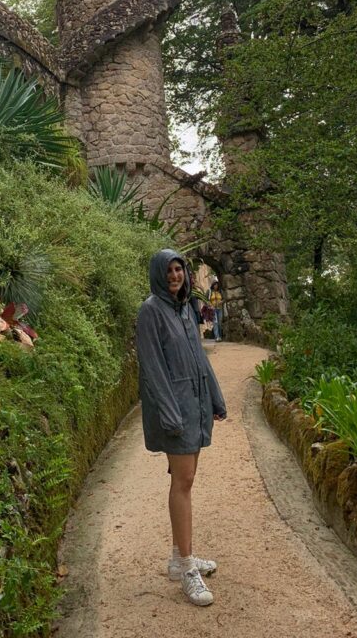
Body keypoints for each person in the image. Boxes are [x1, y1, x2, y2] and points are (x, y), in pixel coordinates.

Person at [136, 249, 228, 607]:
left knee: (186, 479)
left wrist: (216, 398)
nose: (175, 275)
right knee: (183, 482)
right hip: (175, 409)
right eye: (169, 270)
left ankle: (179, 558)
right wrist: (170, 414)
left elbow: (199, 358)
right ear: (158, 273)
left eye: (180, 269)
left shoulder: (186, 309)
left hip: (196, 404)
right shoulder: (151, 312)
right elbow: (152, 369)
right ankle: (188, 568)